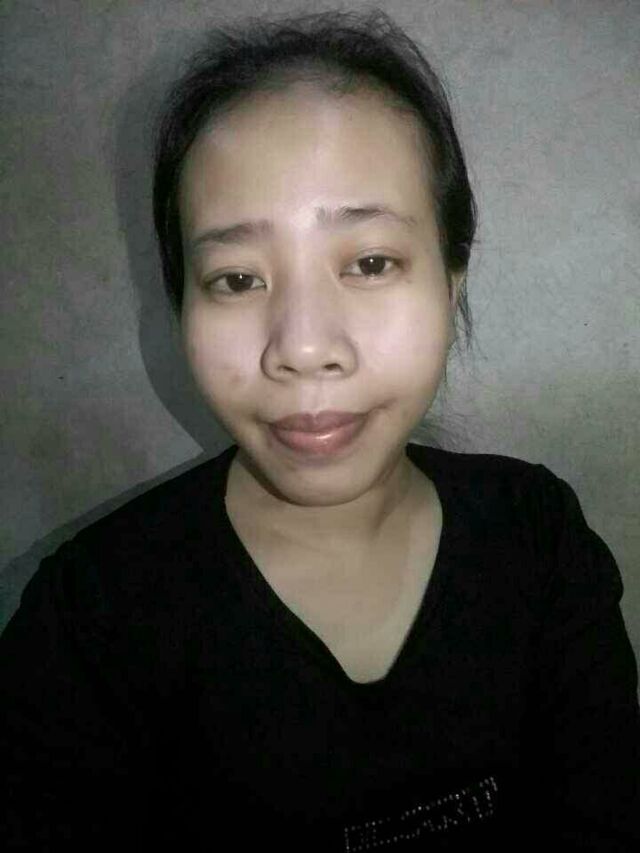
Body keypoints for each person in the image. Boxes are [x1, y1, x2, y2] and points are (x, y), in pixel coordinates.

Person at [2, 8, 639, 851]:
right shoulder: (90, 619)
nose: (302, 347)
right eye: (236, 278)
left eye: (370, 262)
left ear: (452, 279)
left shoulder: (540, 538)